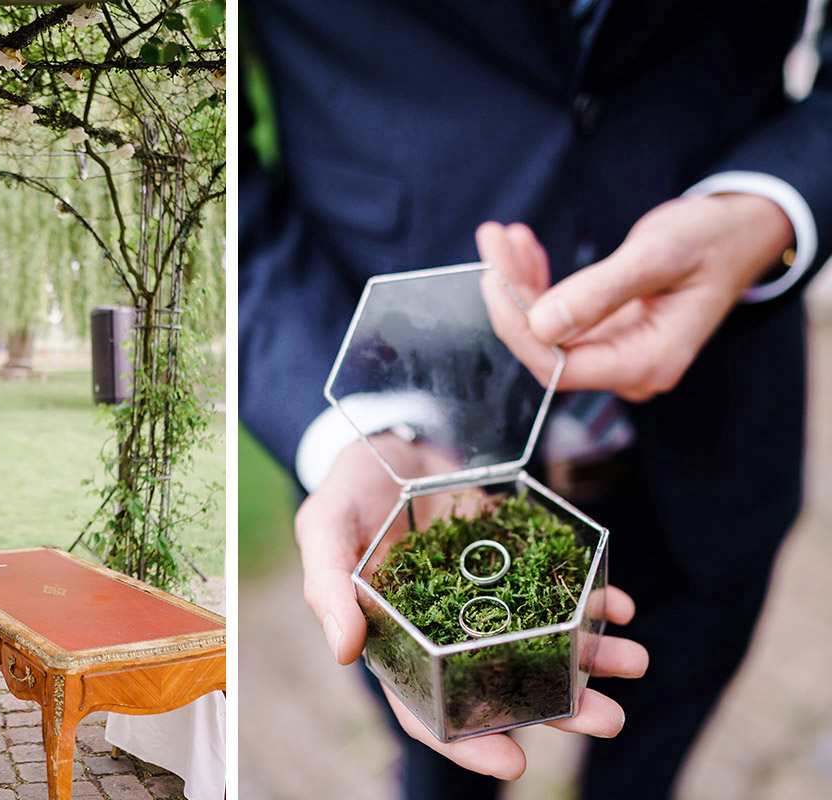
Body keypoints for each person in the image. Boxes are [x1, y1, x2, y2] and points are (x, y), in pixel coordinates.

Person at [240, 1, 831, 798]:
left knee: (653, 749)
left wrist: (768, 209)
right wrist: (358, 435)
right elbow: (203, 166)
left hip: (720, 426)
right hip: (404, 435)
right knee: (444, 758)